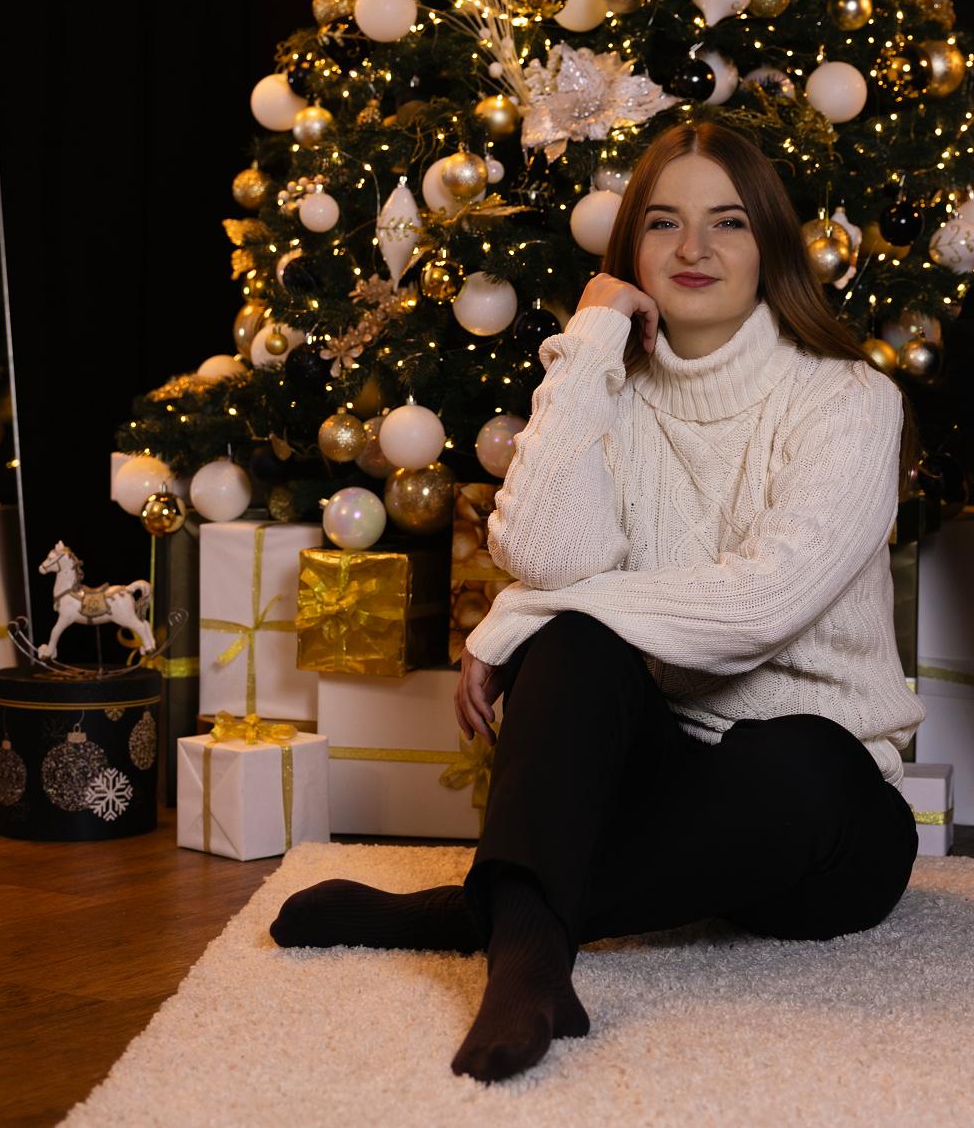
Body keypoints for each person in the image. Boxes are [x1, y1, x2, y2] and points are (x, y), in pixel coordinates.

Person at [269, 119, 927, 1083]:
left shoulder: (849, 398)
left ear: (771, 247)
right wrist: (590, 341)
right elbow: (546, 554)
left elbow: (763, 603)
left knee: (801, 756)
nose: (694, 248)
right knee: (574, 641)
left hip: (824, 827)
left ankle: (482, 911)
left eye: (728, 222)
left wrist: (520, 614)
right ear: (631, 251)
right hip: (655, 785)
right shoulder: (610, 387)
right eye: (663, 222)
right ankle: (531, 960)